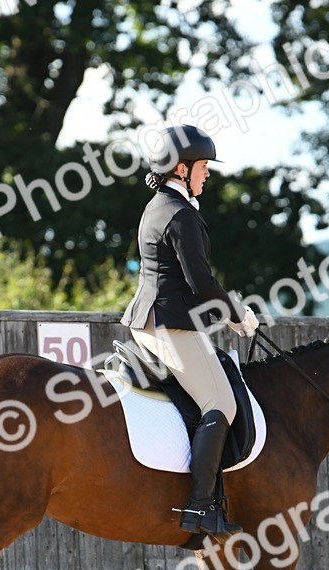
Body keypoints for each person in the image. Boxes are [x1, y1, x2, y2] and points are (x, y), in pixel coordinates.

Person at [121, 124, 259, 539]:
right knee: (222, 404)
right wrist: (238, 314)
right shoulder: (180, 215)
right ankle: (200, 508)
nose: (208, 174)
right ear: (181, 169)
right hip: (168, 325)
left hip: (153, 320)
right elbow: (201, 282)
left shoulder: (159, 205)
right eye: (203, 167)